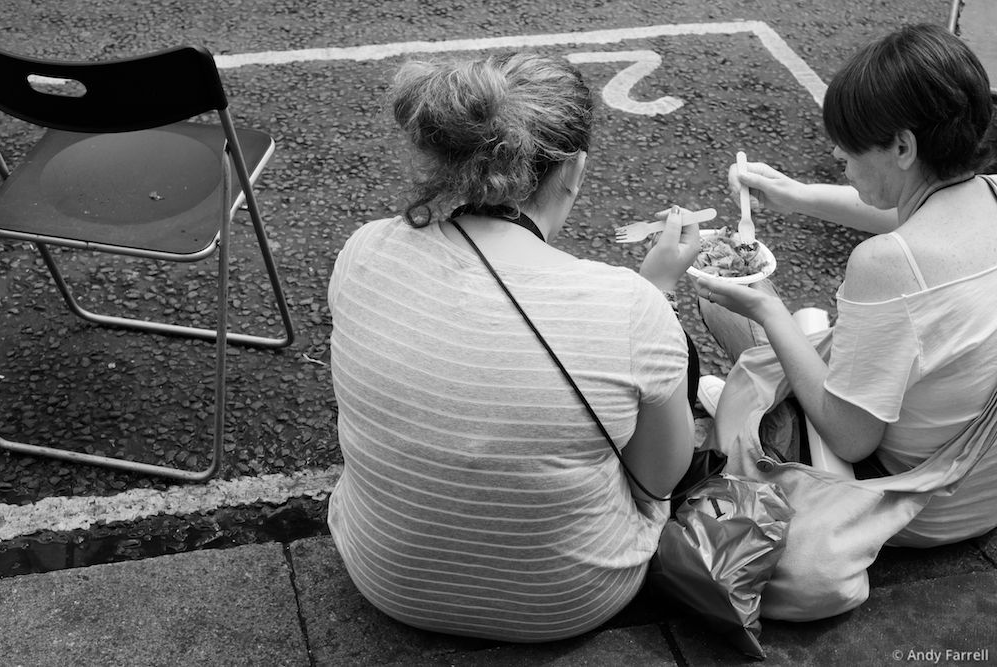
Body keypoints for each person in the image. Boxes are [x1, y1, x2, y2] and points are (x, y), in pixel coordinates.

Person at [326, 52, 700, 642]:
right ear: (573, 170)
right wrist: (657, 293)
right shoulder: (628, 305)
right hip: (566, 603)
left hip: (384, 577)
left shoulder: (365, 250)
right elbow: (658, 480)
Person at [695, 23, 997, 545]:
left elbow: (851, 438)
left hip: (910, 506)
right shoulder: (989, 193)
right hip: (982, 487)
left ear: (902, 146)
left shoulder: (888, 264)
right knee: (814, 327)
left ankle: (751, 410)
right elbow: (907, 215)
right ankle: (754, 394)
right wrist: (794, 194)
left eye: (850, 145)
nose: (837, 156)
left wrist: (765, 306)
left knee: (734, 312)